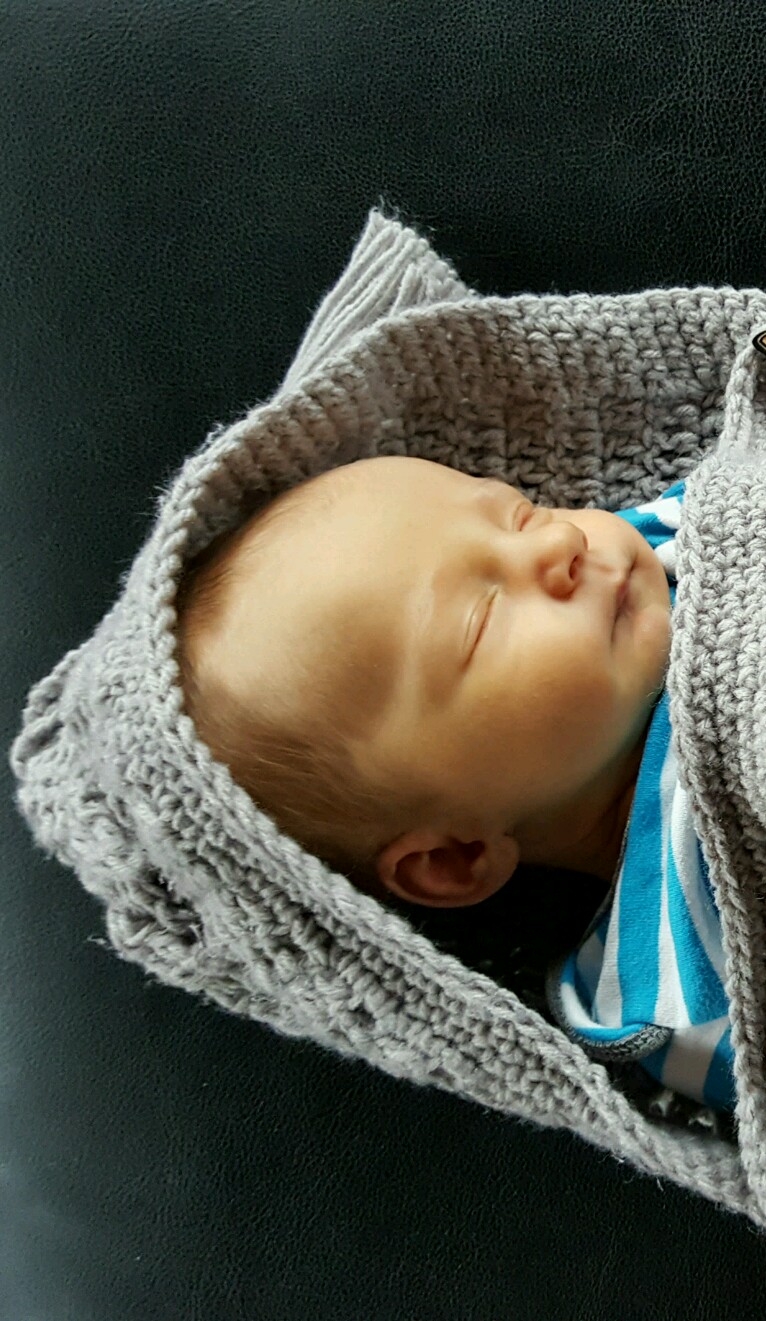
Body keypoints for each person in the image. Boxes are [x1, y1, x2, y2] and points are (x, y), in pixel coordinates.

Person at [174, 453, 735, 1112]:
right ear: (453, 857)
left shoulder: (684, 531)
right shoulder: (658, 979)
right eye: (484, 620)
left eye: (520, 513)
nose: (560, 543)